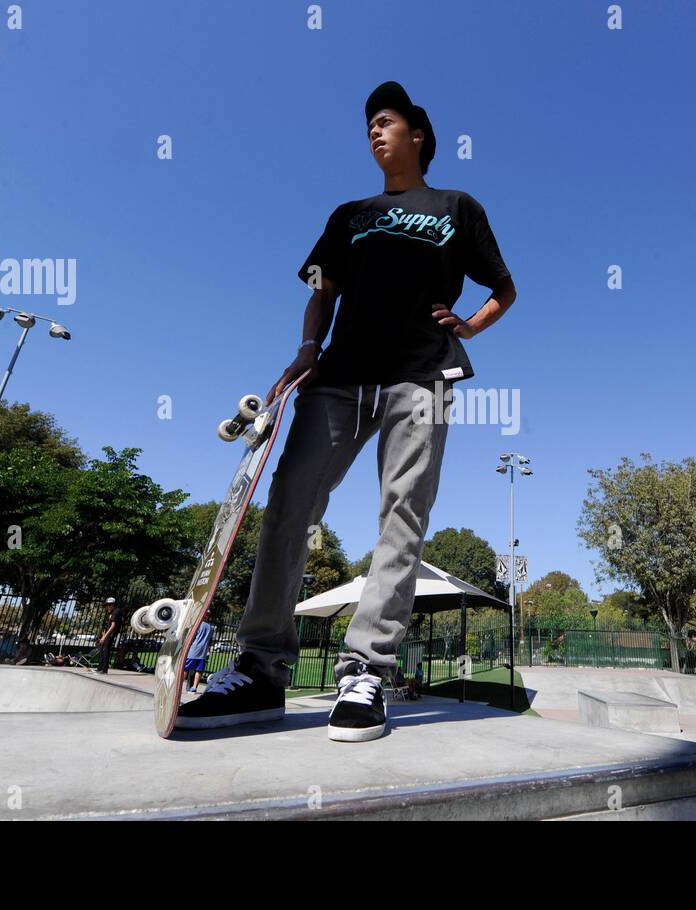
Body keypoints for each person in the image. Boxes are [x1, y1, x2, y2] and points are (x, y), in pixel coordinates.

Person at [177, 81, 516, 743]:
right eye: (368, 126)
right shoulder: (349, 214)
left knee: (402, 515)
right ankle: (261, 669)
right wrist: (307, 348)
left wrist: (470, 325)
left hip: (421, 374)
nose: (374, 132)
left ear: (418, 135)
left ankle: (365, 673)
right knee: (290, 500)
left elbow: (504, 286)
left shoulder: (456, 206)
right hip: (339, 375)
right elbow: (321, 289)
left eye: (386, 122)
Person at [96, 597, 123, 674]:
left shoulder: (116, 612)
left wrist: (105, 637)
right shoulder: (110, 613)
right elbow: (108, 625)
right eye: (106, 605)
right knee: (102, 650)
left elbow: (113, 626)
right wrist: (102, 635)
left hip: (110, 634)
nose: (107, 607)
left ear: (112, 605)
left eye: (108, 605)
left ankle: (104, 670)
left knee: (105, 650)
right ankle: (99, 668)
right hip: (107, 634)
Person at [185, 621, 213, 693]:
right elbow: (210, 641)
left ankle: (178, 685)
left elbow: (191, 637)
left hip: (194, 650)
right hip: (203, 651)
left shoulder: (197, 624)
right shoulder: (210, 627)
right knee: (199, 670)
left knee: (185, 669)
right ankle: (194, 688)